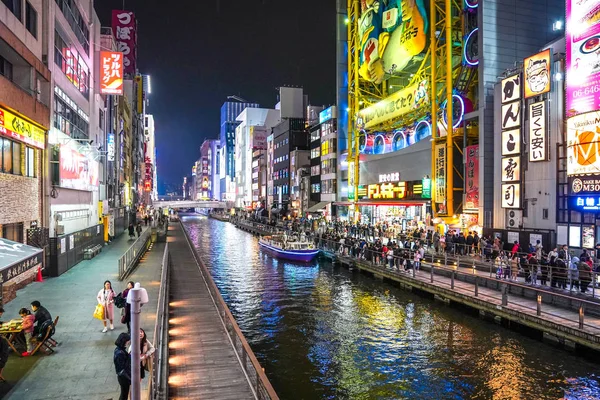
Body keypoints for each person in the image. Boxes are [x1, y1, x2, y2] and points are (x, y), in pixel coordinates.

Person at [114, 332, 131, 400]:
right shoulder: (120, 353)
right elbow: (123, 367)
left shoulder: (119, 349)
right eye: (128, 341)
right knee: (124, 395)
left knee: (124, 394)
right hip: (124, 377)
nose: (128, 342)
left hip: (122, 377)